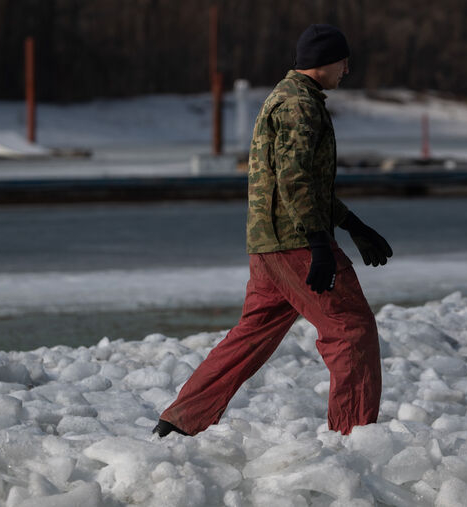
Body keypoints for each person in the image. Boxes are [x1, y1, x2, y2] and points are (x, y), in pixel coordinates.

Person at [153, 24, 393, 437]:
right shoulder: (300, 106)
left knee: (252, 335)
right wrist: (319, 243)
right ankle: (355, 438)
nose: (347, 70)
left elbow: (303, 182)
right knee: (350, 330)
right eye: (344, 61)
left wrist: (354, 225)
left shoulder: (286, 99)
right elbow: (294, 178)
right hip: (296, 242)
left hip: (269, 245)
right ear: (326, 61)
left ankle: (179, 422)